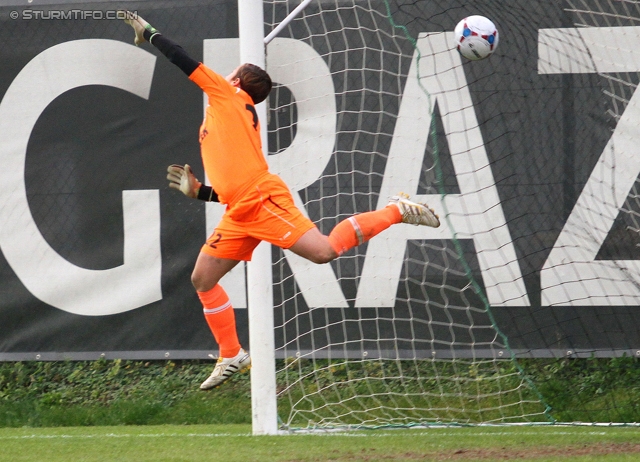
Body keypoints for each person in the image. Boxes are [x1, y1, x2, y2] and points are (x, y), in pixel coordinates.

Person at [123, 13, 440, 390]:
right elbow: (231, 184)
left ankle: (395, 211)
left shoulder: (226, 94)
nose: (223, 76)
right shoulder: (226, 114)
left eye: (231, 72)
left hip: (261, 200)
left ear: (237, 81)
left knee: (323, 253)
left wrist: (151, 33)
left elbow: (182, 60)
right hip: (239, 208)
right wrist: (200, 192)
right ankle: (231, 354)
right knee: (202, 278)